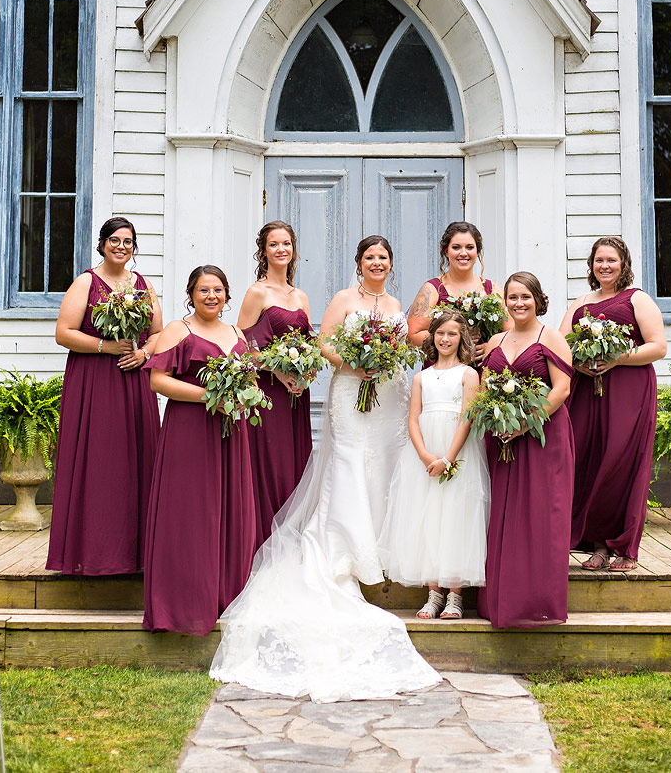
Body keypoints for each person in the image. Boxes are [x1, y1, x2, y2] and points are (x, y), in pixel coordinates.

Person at [211, 235, 440, 702]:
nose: (377, 263)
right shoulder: (342, 299)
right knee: (351, 464)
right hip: (351, 393)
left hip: (388, 395)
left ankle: (384, 544)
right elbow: (325, 344)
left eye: (384, 257)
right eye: (369, 257)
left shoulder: (397, 302)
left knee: (386, 465)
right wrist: (356, 363)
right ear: (359, 263)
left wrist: (384, 365)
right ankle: (347, 545)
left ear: (391, 265)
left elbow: (403, 346)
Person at [142, 266, 257, 635]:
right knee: (190, 513)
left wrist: (241, 395)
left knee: (229, 509)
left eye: (218, 290)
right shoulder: (179, 330)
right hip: (189, 432)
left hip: (231, 432)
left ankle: (226, 595)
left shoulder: (236, 332)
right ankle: (184, 603)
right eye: (204, 290)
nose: (212, 296)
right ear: (191, 293)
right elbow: (158, 380)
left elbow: (250, 378)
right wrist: (211, 396)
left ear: (227, 295)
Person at [46, 216, 162, 575]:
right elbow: (63, 333)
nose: (121, 247)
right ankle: (93, 552)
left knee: (136, 458)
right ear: (102, 243)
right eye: (115, 240)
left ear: (134, 247)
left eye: (128, 241)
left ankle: (137, 553)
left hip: (134, 381)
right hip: (94, 382)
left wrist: (143, 354)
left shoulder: (143, 285)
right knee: (99, 461)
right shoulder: (86, 282)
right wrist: (104, 346)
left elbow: (159, 333)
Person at [559, 236, 667, 572]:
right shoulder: (580, 302)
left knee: (620, 463)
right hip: (585, 392)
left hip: (629, 392)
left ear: (624, 263)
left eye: (611, 260)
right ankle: (597, 545)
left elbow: (658, 346)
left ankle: (625, 548)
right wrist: (580, 364)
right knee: (588, 462)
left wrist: (617, 358)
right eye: (598, 260)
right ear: (591, 265)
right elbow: (561, 347)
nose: (604, 266)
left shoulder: (637, 299)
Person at [477, 272, 575, 629]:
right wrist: (497, 421)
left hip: (542, 437)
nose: (519, 304)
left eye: (525, 297)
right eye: (513, 297)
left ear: (538, 299)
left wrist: (524, 423)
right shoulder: (495, 341)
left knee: (540, 514)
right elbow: (486, 387)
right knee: (503, 513)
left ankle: (538, 602)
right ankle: (503, 598)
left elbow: (561, 389)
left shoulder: (550, 338)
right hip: (501, 437)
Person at [379, 310, 490, 621]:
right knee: (427, 516)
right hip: (425, 454)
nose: (445, 339)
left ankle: (455, 595)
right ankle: (433, 594)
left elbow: (468, 417)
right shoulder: (421, 377)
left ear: (462, 338)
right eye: (440, 333)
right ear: (433, 337)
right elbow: (413, 419)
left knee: (455, 515)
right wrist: (426, 456)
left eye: (452, 334)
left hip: (456, 451)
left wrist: (448, 458)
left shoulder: (468, 374)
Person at [237, 221, 313, 548]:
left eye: (286, 243)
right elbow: (240, 344)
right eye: (274, 244)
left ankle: (291, 538)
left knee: (294, 464)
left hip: (297, 394)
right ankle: (264, 539)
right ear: (264, 251)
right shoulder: (257, 292)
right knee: (271, 462)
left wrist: (305, 374)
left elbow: (308, 344)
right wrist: (277, 371)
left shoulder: (301, 296)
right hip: (268, 394)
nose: (281, 249)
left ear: (293, 249)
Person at [407, 221, 508, 363]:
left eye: (470, 247)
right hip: (444, 371)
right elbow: (412, 336)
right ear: (446, 251)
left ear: (477, 251)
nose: (463, 253)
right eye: (456, 247)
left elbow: (512, 334)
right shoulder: (432, 289)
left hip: (484, 373)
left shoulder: (493, 290)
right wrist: (454, 340)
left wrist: (490, 346)